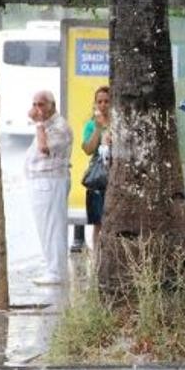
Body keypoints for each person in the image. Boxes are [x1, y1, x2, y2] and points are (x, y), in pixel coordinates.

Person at [25, 90, 73, 285]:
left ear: (52, 105)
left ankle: (56, 272)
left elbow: (44, 149)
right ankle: (52, 268)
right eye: (35, 104)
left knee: (53, 228)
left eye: (41, 104)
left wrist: (38, 124)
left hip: (51, 182)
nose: (37, 109)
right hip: (41, 182)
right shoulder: (47, 125)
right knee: (45, 228)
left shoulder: (59, 127)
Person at [81, 86, 112, 252]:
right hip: (98, 179)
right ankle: (97, 259)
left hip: (115, 176)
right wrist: (99, 129)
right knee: (98, 223)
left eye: (107, 101)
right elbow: (88, 149)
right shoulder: (91, 126)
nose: (103, 105)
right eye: (99, 101)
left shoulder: (118, 124)